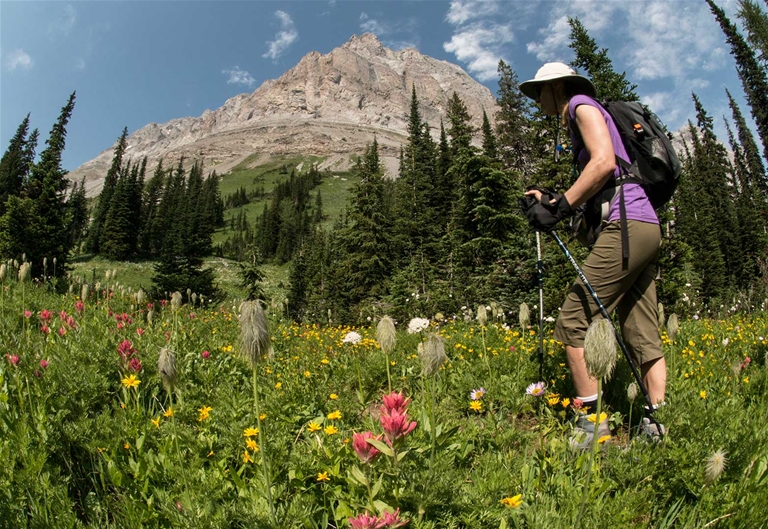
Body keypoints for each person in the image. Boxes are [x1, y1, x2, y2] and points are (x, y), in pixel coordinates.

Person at [518, 62, 666, 446]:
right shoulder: (585, 115)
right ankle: (656, 422)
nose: (537, 100)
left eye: (540, 91)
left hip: (627, 227)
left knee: (574, 320)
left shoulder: (581, 105)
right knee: (640, 330)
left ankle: (591, 424)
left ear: (558, 88)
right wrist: (553, 199)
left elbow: (603, 163)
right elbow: (603, 180)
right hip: (644, 226)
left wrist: (561, 206)